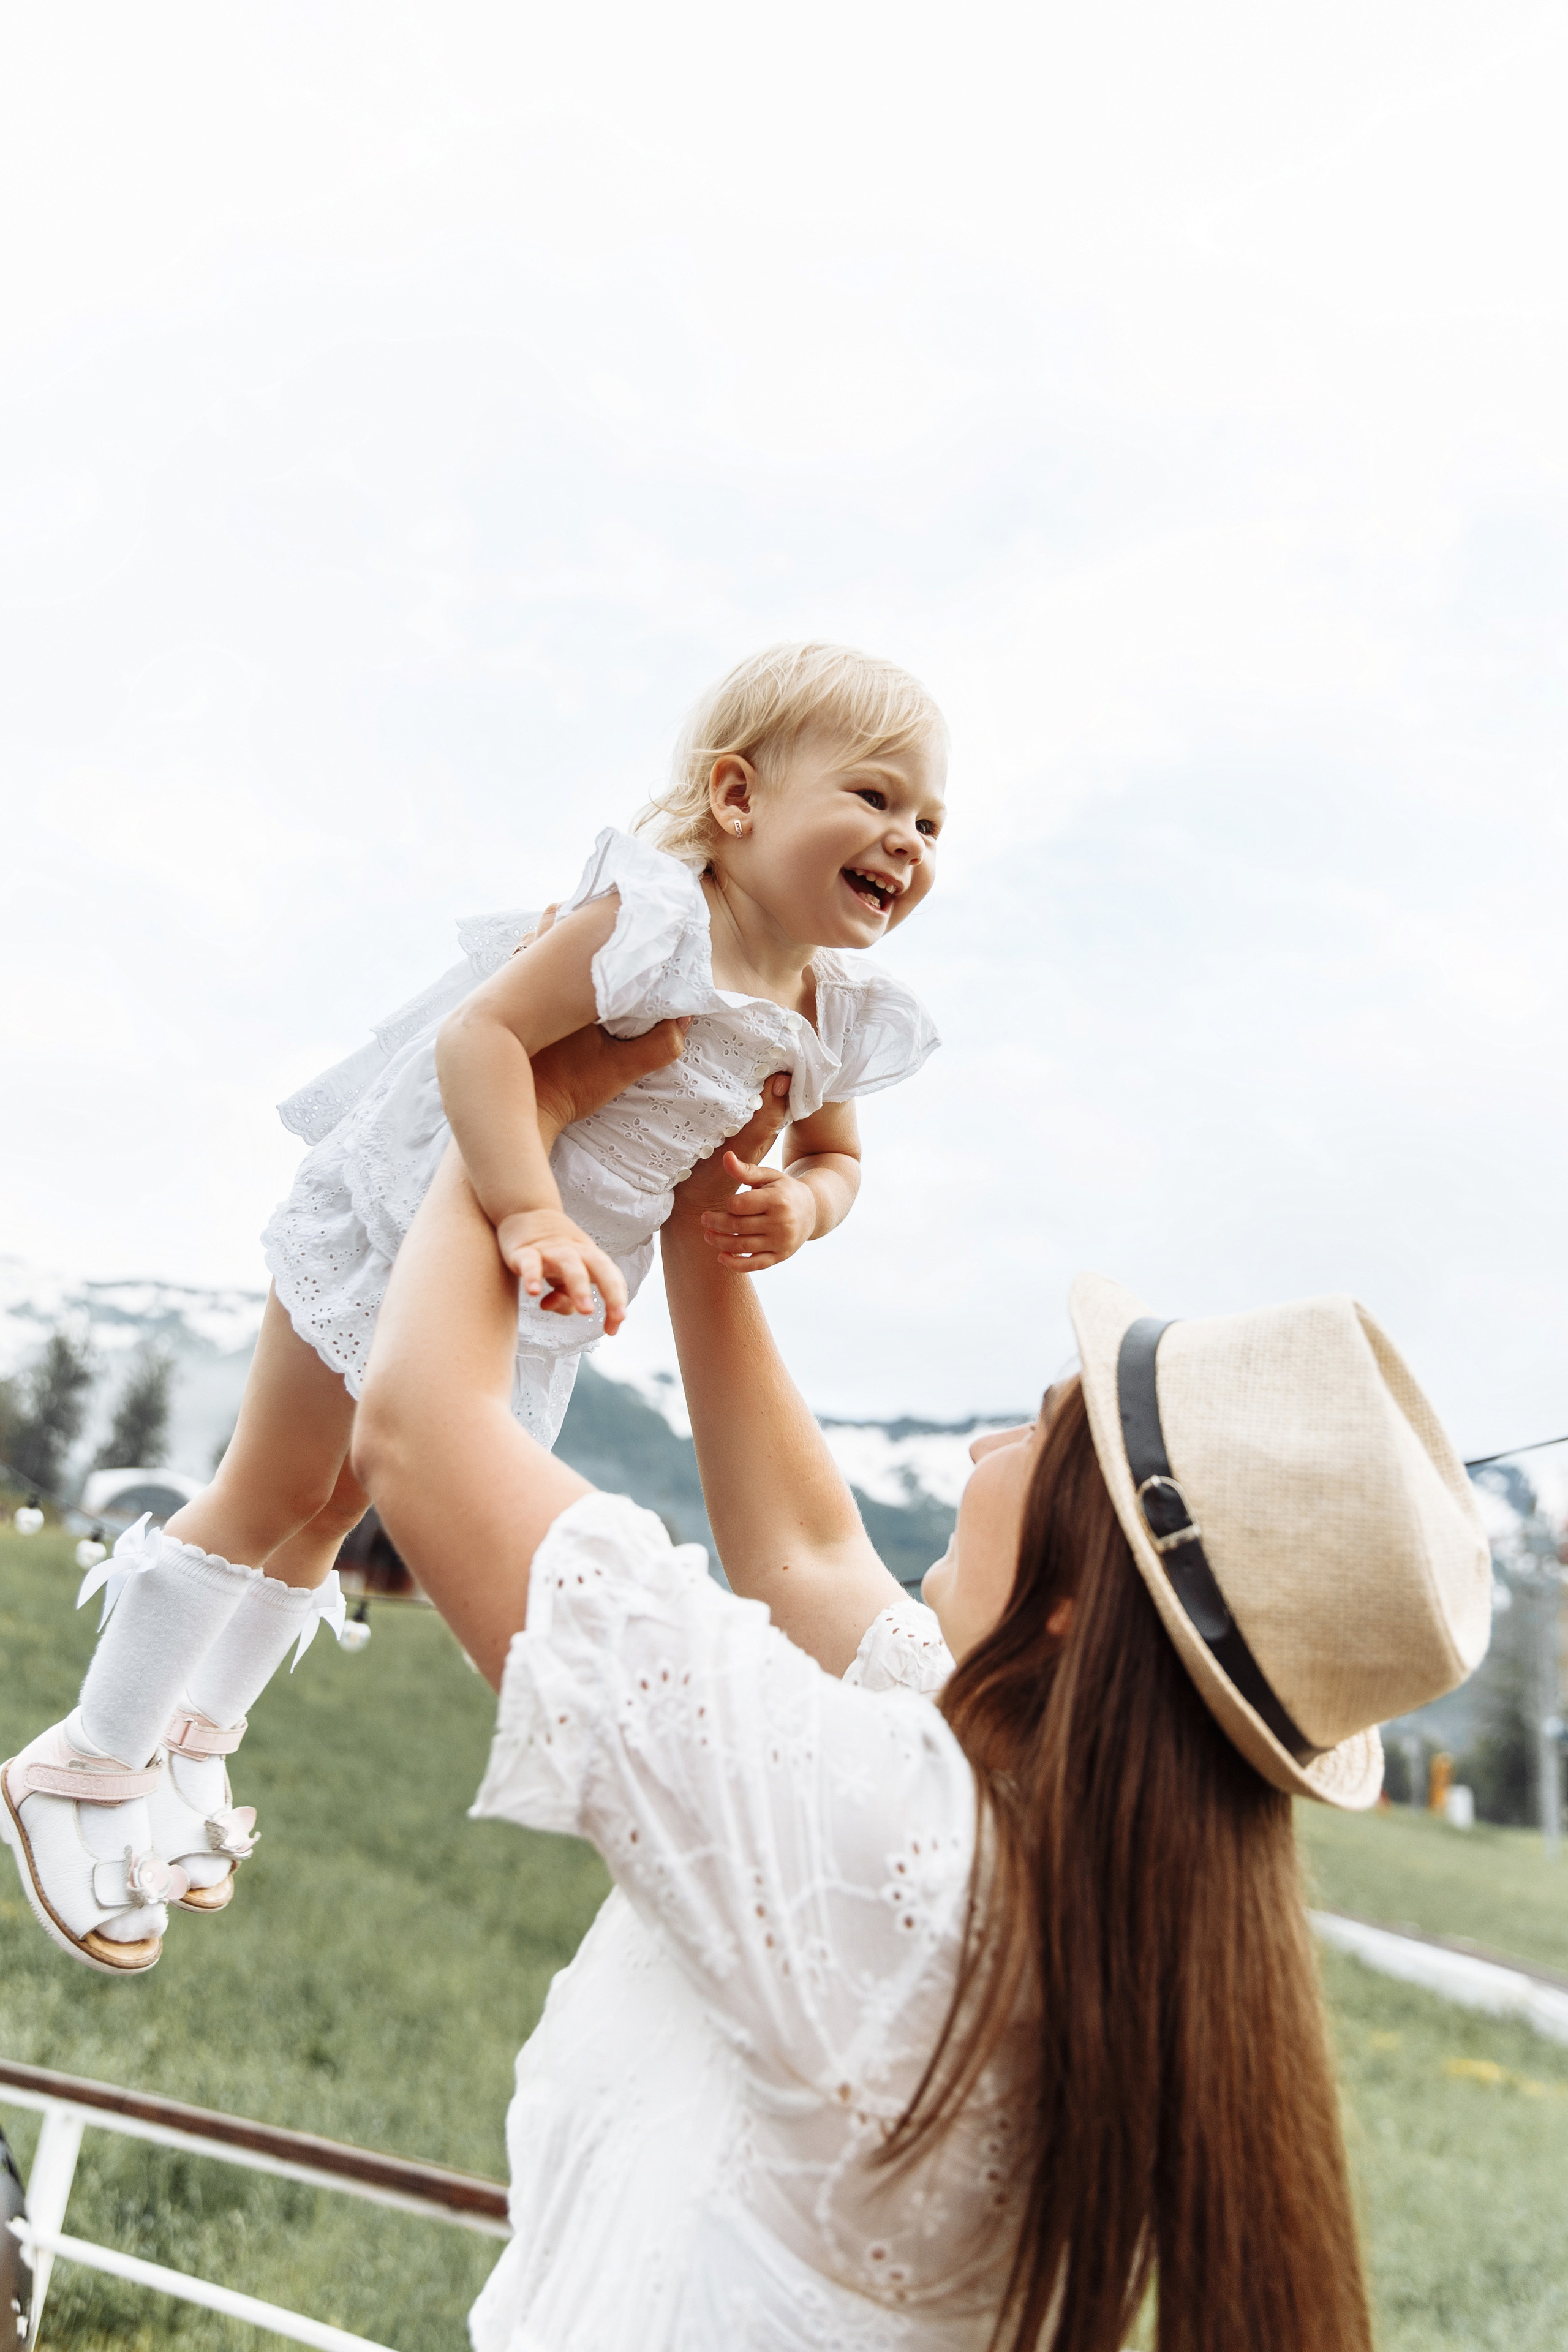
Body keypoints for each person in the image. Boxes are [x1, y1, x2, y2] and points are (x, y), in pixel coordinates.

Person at [344, 1062, 1491, 2352]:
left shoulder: (903, 1843)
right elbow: (803, 1554)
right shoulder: (1074, 1854)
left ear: (1075, 1598)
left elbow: (419, 1427)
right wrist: (702, 1203)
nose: (977, 1454)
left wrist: (525, 1092)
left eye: (1040, 1432)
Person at [1, 642, 946, 1966]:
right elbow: (483, 1039)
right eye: (874, 798)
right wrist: (526, 1208)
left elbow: (836, 1160)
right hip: (418, 1216)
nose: (905, 840)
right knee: (276, 1483)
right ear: (736, 799)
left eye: (928, 822)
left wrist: (801, 1206)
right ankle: (84, 1759)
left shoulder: (832, 1010)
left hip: (530, 1285)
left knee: (341, 1506)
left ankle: (195, 1737)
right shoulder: (655, 923)